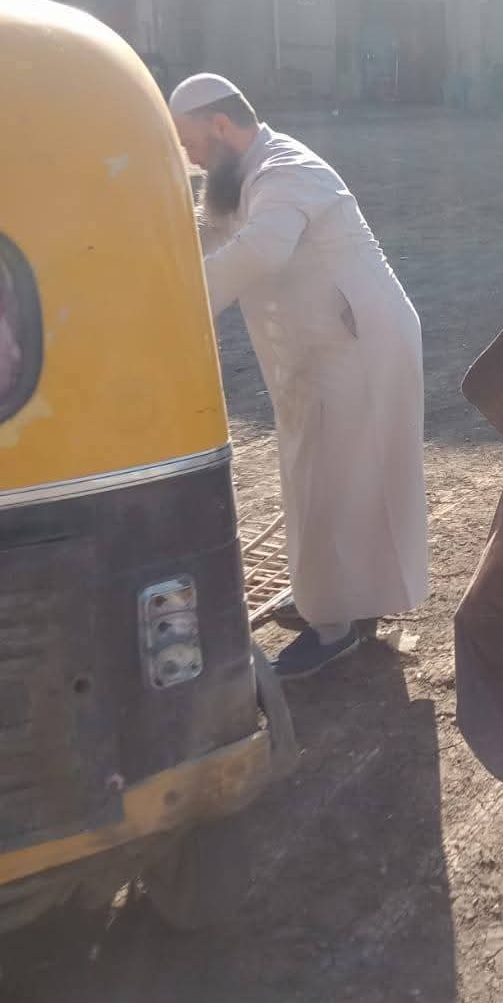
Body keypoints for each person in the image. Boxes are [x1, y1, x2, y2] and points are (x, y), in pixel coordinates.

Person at [169, 74, 428, 680]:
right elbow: (209, 230)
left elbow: (260, 249)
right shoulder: (239, 174)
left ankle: (333, 625)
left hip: (359, 345)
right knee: (329, 480)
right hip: (328, 349)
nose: (192, 158)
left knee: (332, 485)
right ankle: (339, 599)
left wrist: (176, 306)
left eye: (193, 144)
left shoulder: (286, 169)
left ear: (221, 126)